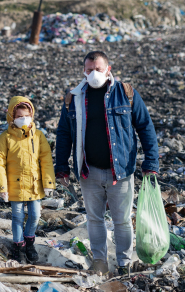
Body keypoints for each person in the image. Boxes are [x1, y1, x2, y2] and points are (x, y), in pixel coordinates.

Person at [55, 51, 159, 275]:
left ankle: (123, 263)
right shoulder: (73, 97)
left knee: (121, 220)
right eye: (89, 69)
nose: (94, 74)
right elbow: (64, 133)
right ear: (84, 70)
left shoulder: (126, 93)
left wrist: (151, 161)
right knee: (94, 219)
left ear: (108, 69)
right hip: (88, 170)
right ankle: (100, 262)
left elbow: (145, 127)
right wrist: (61, 166)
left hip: (120, 171)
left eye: (98, 69)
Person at [0, 96, 55, 264]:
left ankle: (29, 241)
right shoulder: (5, 138)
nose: (23, 119)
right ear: (12, 117)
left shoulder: (39, 136)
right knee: (17, 217)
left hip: (34, 185)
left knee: (35, 215)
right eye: (19, 116)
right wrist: (2, 187)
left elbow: (46, 159)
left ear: (32, 115)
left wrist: (49, 183)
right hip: (15, 186)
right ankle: (19, 246)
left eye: (26, 115)